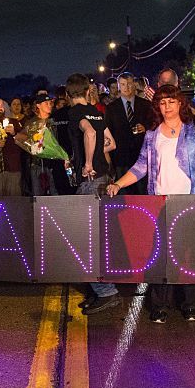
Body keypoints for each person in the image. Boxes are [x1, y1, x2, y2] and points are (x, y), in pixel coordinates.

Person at [106, 85, 195, 323]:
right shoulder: (152, 133)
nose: (167, 107)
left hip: (190, 200)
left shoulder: (194, 129)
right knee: (161, 255)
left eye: (171, 102)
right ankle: (160, 305)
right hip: (161, 200)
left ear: (180, 103)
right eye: (162, 103)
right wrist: (119, 184)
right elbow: (141, 166)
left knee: (191, 254)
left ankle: (190, 303)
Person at [66, 73, 119, 313]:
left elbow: (90, 133)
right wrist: (96, 153)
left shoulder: (76, 112)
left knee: (83, 238)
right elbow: (111, 143)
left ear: (69, 94)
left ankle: (106, 292)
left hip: (90, 179)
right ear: (88, 91)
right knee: (95, 237)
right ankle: (99, 290)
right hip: (104, 177)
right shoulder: (97, 111)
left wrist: (87, 162)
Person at [104, 72, 153, 195]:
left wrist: (145, 127)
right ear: (119, 86)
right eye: (123, 84)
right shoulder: (111, 108)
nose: (127, 87)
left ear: (134, 85)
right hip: (121, 158)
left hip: (141, 156)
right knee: (124, 195)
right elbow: (107, 133)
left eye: (129, 84)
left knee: (143, 193)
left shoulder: (146, 105)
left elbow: (154, 125)